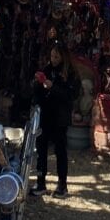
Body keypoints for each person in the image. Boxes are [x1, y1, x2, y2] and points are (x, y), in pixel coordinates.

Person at [31, 44, 80, 197]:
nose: (53, 60)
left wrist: (53, 87)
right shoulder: (47, 69)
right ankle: (40, 183)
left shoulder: (71, 74)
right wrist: (37, 82)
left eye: (56, 57)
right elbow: (37, 92)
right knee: (41, 150)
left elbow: (71, 96)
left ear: (63, 57)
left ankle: (62, 186)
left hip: (60, 117)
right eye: (52, 56)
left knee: (60, 152)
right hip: (45, 115)